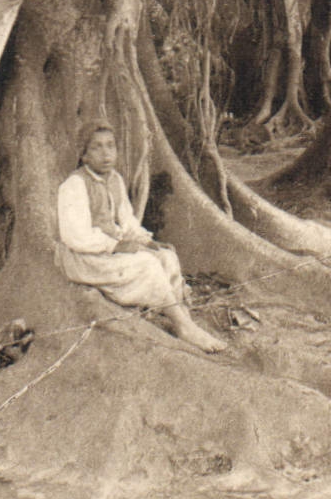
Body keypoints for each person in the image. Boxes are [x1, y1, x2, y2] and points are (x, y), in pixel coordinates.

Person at [56, 125, 227, 353]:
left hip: (109, 251)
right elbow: (75, 236)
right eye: (96, 148)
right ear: (84, 154)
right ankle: (183, 326)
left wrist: (146, 241)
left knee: (166, 257)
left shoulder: (114, 180)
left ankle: (180, 315)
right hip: (85, 257)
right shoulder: (74, 185)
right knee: (148, 265)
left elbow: (127, 222)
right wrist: (116, 245)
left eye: (110, 146)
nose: (106, 154)